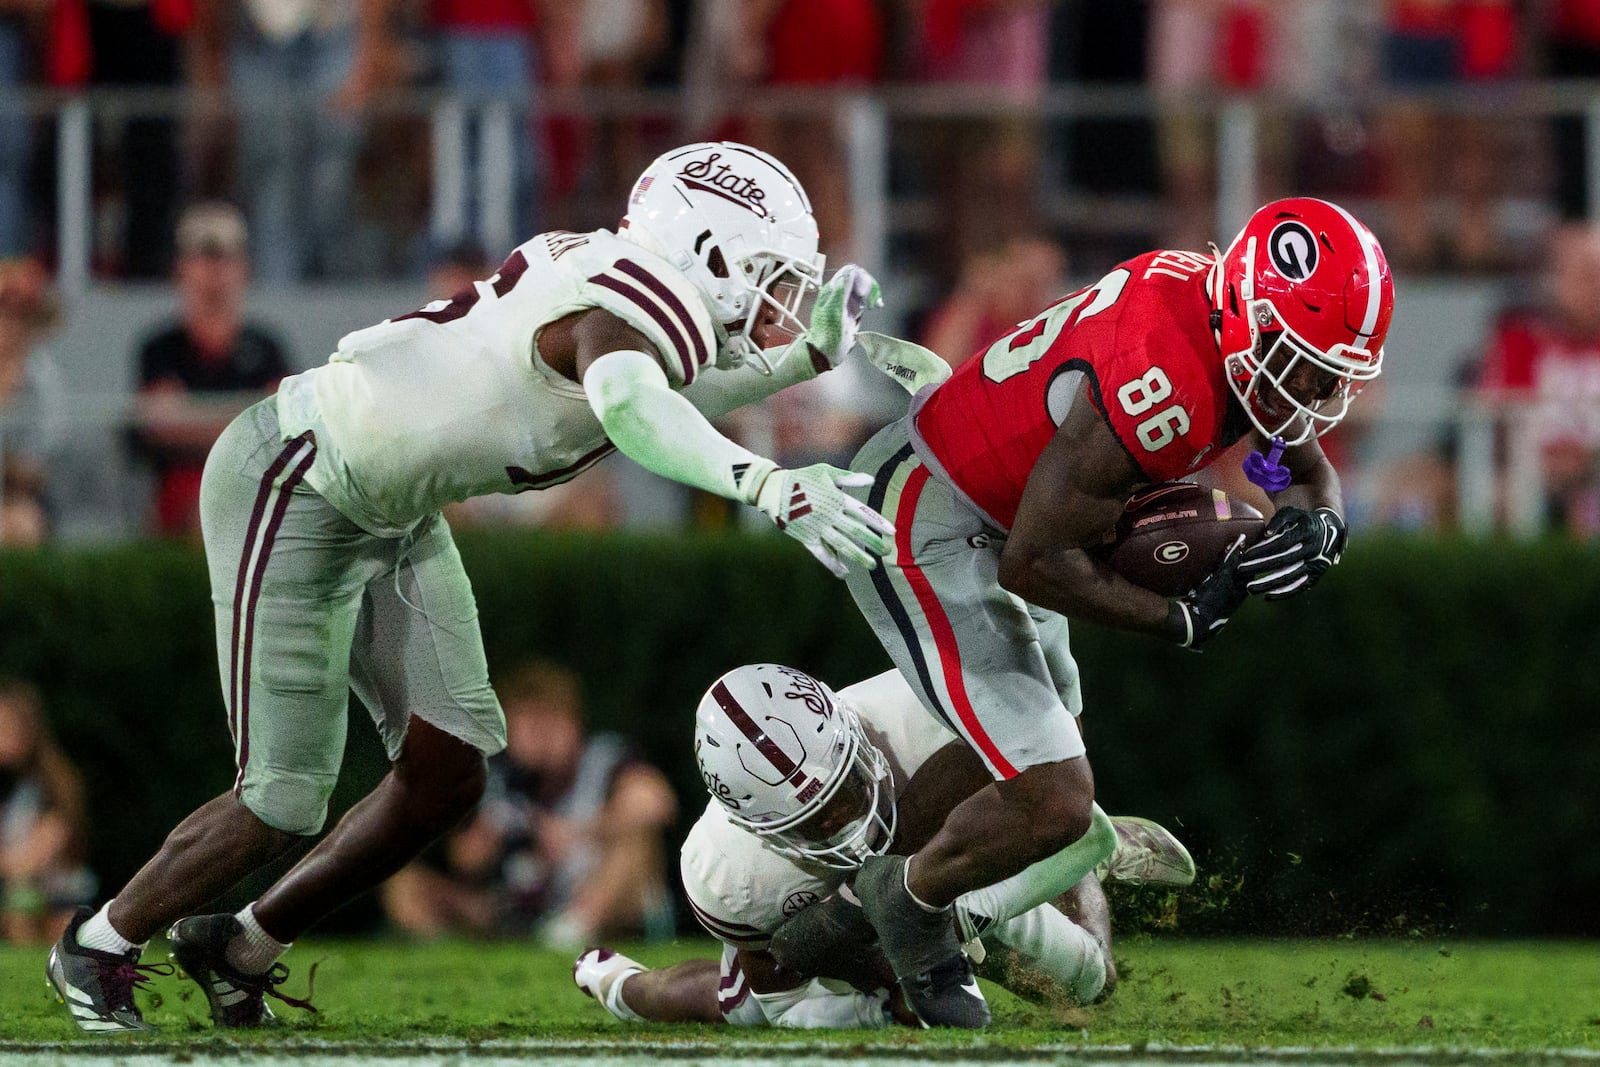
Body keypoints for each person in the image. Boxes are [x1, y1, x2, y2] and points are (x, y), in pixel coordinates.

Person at [47, 140, 900, 1034]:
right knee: (282, 797)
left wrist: (800, 357)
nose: (780, 299)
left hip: (390, 508)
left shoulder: (630, 292)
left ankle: (242, 943)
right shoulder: (627, 308)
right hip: (297, 476)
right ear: (707, 251)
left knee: (449, 770)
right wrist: (762, 480)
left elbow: (656, 381)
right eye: (770, 275)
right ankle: (100, 941)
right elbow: (629, 404)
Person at [769, 197, 1394, 1027]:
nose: (1310, 390)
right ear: (1248, 313)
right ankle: (907, 901)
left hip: (1002, 505)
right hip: (933, 510)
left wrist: (1321, 523)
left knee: (1031, 745)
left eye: (1328, 372)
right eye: (1299, 362)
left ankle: (834, 923)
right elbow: (1035, 561)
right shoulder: (1165, 379)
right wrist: (1180, 619)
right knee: (1055, 795)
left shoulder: (1225, 325)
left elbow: (1300, 465)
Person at [573, 664, 1195, 1028]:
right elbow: (779, 988)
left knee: (1091, 984)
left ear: (853, 732)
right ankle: (624, 987)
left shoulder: (934, 710)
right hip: (838, 917)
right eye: (818, 820)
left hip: (956, 856)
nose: (851, 818)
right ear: (761, 829)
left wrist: (964, 904)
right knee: (747, 1010)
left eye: (846, 787)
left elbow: (1060, 767)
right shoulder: (728, 872)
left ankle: (1091, 860)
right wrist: (886, 988)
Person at [382, 659, 676, 947]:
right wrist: (493, 836)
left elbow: (655, 805)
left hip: (592, 896)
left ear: (575, 722)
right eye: (528, 723)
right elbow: (466, 861)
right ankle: (445, 954)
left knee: (637, 844)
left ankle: (571, 931)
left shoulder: (604, 758)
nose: (539, 735)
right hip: (516, 905)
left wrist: (576, 834)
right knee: (404, 879)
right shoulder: (497, 777)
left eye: (550, 721)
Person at [133, 202, 292, 537]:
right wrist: (246, 415)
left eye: (224, 259)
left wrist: (194, 415)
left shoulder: (267, 347)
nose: (214, 272)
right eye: (203, 258)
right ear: (181, 268)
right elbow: (163, 425)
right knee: (207, 511)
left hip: (257, 483)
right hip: (182, 485)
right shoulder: (159, 348)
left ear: (243, 268)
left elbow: (283, 427)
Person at [1474, 222, 1600, 534]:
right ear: (1553, 277)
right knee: (1493, 496)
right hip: (1529, 474)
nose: (1595, 285)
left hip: (1594, 475)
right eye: (1585, 274)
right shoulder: (1520, 341)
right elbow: (1494, 421)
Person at [0, 678, 96, 944]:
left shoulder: (55, 783)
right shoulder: (15, 787)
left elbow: (32, 859)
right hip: (23, 898)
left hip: (59, 902)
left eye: (6, 727)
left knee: (22, 897)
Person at [0, 256, 64, 546]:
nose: (11, 320)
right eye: (4, 307)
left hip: (25, 500)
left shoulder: (44, 377)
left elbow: (36, 470)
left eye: (22, 311)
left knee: (21, 525)